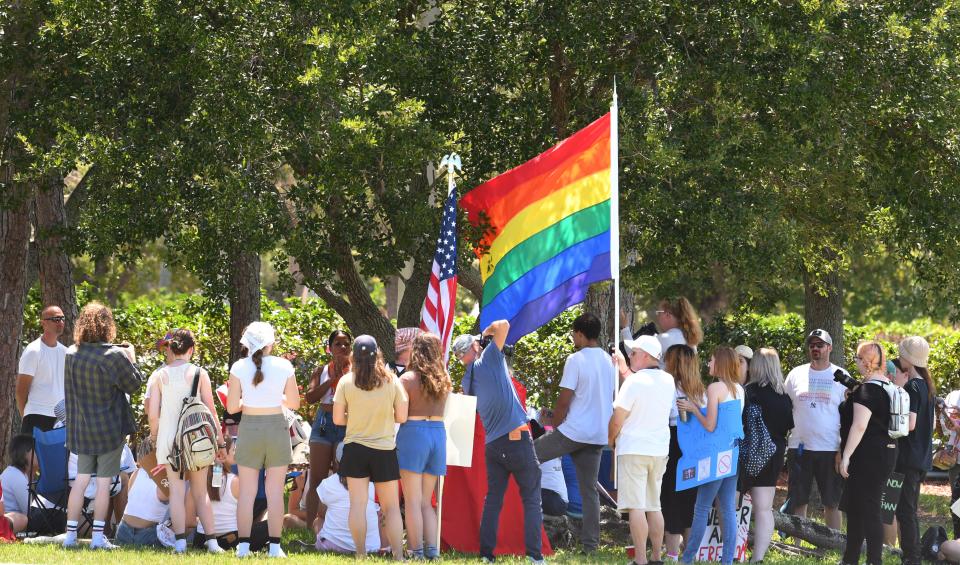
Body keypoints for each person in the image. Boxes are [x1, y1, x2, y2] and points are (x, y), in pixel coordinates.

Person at [451, 320, 544, 564]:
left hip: (493, 446)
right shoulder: (488, 358)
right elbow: (503, 325)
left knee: (493, 500)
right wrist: (484, 334)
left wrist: (479, 340)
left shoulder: (466, 381)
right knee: (532, 499)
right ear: (474, 347)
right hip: (517, 438)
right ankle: (535, 556)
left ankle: (486, 555)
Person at [63, 302, 143, 550]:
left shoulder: (70, 353)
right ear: (108, 326)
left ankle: (70, 537)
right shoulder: (115, 355)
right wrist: (132, 358)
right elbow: (134, 385)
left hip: (81, 429)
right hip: (109, 430)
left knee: (80, 481)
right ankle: (98, 538)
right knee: (105, 483)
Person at [534, 312, 615, 555]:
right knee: (589, 491)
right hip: (598, 435)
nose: (572, 337)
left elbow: (563, 402)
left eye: (573, 333)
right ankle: (591, 547)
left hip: (572, 431)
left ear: (580, 334)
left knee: (527, 456)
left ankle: (522, 523)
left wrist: (557, 425)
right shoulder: (609, 361)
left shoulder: (576, 360)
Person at [146, 328, 225, 554]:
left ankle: (179, 542)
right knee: (201, 492)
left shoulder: (160, 376)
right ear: (191, 350)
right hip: (195, 440)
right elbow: (211, 410)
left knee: (177, 492)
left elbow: (153, 414)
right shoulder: (200, 373)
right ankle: (212, 542)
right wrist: (219, 442)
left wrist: (154, 437)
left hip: (169, 440)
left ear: (171, 348)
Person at [227, 321, 300, 558]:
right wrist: (275, 397)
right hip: (277, 428)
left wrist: (250, 399)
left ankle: (244, 547)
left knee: (247, 493)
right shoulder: (284, 365)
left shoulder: (238, 366)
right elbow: (294, 403)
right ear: (270, 343)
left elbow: (231, 407)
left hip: (249, 428)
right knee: (275, 492)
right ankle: (276, 548)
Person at [333, 335, 407, 561]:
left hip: (355, 448)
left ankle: (361, 555)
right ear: (378, 355)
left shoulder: (346, 382)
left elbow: (337, 419)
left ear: (353, 355)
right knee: (391, 507)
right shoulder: (392, 380)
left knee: (358, 505)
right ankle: (398, 556)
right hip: (384, 450)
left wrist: (355, 419)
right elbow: (402, 417)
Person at [608, 335, 674, 565]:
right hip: (658, 450)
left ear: (646, 356)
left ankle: (640, 560)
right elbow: (644, 387)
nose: (630, 355)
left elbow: (618, 418)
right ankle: (656, 557)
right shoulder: (668, 381)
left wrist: (611, 439)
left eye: (634, 352)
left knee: (636, 507)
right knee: (654, 505)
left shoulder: (634, 383)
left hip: (634, 448)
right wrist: (626, 371)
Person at [678, 347, 745, 565]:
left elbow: (709, 425)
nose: (708, 363)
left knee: (702, 507)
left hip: (715, 457)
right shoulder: (739, 389)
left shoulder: (716, 387)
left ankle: (686, 559)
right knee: (727, 509)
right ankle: (727, 561)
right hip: (732, 454)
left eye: (711, 359)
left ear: (721, 363)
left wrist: (693, 408)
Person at [839, 341, 898, 565]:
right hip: (887, 452)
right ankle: (850, 558)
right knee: (856, 507)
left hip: (867, 457)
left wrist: (846, 456)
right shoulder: (889, 387)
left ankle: (874, 560)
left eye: (856, 358)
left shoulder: (868, 390)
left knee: (870, 509)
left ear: (865, 361)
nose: (856, 363)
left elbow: (859, 426)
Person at [782, 328, 847, 529]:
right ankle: (797, 543)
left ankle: (834, 543)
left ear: (830, 348)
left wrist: (842, 449)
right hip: (799, 446)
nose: (815, 348)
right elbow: (785, 406)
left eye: (820, 345)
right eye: (812, 345)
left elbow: (849, 416)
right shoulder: (796, 374)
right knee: (798, 499)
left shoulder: (841, 375)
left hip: (830, 448)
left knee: (832, 501)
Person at [397, 332, 451, 560]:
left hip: (413, 433)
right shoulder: (445, 379)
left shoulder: (407, 379)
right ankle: (432, 550)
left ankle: (415, 551)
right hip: (438, 434)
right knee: (426, 502)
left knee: (411, 500)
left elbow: (399, 415)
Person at [742, 348, 794, 563]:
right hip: (774, 454)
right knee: (764, 509)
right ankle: (758, 558)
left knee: (733, 504)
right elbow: (787, 427)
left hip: (747, 454)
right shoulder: (784, 397)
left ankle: (734, 553)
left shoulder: (748, 392)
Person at [660, 344, 705, 561]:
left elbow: (666, 414)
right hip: (694, 447)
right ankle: (690, 552)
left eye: (667, 359)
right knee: (689, 500)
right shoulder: (701, 391)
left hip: (674, 443)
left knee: (671, 498)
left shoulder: (669, 386)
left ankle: (671, 553)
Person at [893, 337, 936, 565]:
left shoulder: (912, 386)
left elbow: (909, 424)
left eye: (901, 354)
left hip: (908, 458)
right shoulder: (926, 385)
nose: (899, 358)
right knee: (909, 509)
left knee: (905, 512)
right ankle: (912, 554)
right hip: (921, 458)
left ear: (909, 358)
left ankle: (911, 557)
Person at [304, 329, 352, 531]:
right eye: (337, 344)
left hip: (347, 423)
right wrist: (332, 380)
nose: (342, 347)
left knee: (342, 477)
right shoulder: (321, 370)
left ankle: (337, 526)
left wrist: (345, 376)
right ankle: (310, 527)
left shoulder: (357, 371)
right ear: (329, 348)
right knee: (317, 477)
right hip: (324, 422)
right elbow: (310, 397)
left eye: (346, 344)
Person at [192, 437, 270, 551]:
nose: (236, 453)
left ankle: (210, 544)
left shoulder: (198, 481)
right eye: (233, 450)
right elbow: (244, 516)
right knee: (271, 525)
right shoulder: (236, 481)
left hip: (200, 539)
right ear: (222, 454)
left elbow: (189, 519)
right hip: (230, 540)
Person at [315, 443, 384, 554]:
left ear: (337, 462)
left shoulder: (328, 484)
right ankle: (384, 547)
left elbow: (321, 513)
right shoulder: (372, 484)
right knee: (378, 515)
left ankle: (323, 542)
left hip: (332, 545)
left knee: (318, 521)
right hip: (371, 548)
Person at [17, 305, 68, 434]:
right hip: (36, 416)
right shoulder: (33, 351)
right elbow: (21, 392)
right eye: (56, 319)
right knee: (33, 455)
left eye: (62, 318)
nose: (61, 322)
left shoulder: (65, 352)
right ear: (43, 323)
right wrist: (26, 416)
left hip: (60, 420)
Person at [1, 434, 65, 534]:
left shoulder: (17, 473)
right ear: (27, 454)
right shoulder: (17, 476)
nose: (40, 455)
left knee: (58, 515)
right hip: (15, 519)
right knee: (58, 517)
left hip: (19, 518)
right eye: (37, 451)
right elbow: (30, 511)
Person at [115, 466, 170, 547]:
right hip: (147, 536)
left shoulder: (137, 472)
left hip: (123, 532)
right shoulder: (168, 478)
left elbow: (129, 497)